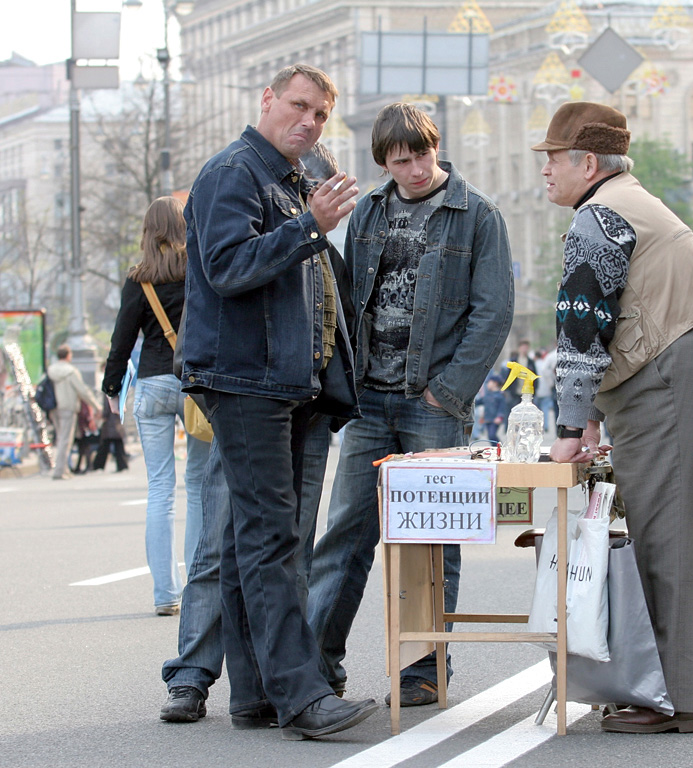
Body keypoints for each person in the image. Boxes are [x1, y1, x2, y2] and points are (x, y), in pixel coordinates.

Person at [180, 64, 377, 739]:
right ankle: (302, 696)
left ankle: (257, 693)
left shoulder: (294, 179)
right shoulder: (234, 172)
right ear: (267, 100)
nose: (308, 122)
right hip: (246, 379)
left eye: (320, 114)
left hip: (287, 381)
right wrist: (311, 225)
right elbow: (229, 268)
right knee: (271, 538)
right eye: (298, 107)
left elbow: (318, 287)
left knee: (251, 541)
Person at [534, 101, 693, 733]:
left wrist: (569, 428)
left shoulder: (600, 216)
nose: (545, 172)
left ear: (586, 162)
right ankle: (678, 691)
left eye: (551, 160)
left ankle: (677, 700)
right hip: (679, 373)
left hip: (668, 383)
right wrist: (591, 412)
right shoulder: (628, 199)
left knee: (667, 542)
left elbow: (580, 329)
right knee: (672, 537)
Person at [306, 102, 514, 707]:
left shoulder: (477, 215)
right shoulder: (368, 209)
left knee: (432, 540)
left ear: (435, 147)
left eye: (422, 154)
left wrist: (445, 391)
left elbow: (493, 311)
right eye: (401, 160)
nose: (416, 169)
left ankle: (424, 669)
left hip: (433, 404)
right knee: (344, 536)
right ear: (384, 161)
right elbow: (345, 300)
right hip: (369, 400)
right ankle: (317, 667)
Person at [103, 197, 210, 616]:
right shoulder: (197, 269)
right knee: (198, 486)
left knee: (160, 490)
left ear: (148, 232)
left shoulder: (139, 278)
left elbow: (121, 341)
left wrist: (113, 387)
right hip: (193, 385)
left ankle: (165, 594)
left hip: (151, 386)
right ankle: (199, 589)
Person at [47, 344, 101, 480]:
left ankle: (64, 468)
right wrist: (96, 405)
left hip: (53, 408)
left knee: (60, 438)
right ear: (68, 355)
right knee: (65, 440)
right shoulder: (70, 371)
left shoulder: (51, 370)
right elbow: (82, 391)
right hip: (67, 408)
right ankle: (59, 470)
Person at [92, 393, 129, 472]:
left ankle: (97, 466)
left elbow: (106, 407)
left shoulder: (108, 390)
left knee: (105, 446)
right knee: (118, 445)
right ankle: (122, 465)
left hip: (110, 423)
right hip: (117, 421)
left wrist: (103, 416)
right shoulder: (120, 391)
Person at [475, 375, 508, 444]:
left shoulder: (500, 396)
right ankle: (497, 449)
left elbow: (501, 408)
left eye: (489, 382)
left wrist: (500, 417)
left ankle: (500, 447)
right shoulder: (487, 395)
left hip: (495, 420)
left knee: (492, 435)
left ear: (495, 383)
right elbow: (479, 402)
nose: (487, 384)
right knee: (490, 437)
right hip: (487, 419)